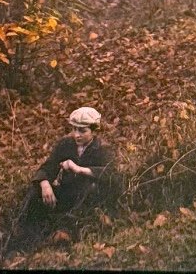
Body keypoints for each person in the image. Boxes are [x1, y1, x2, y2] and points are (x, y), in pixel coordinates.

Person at [8, 106, 116, 250]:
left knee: (88, 188)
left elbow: (112, 173)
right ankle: (27, 235)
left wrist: (79, 169)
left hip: (88, 197)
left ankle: (66, 232)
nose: (77, 135)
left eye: (82, 130)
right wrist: (45, 183)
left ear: (94, 131)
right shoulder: (66, 144)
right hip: (66, 191)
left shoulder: (102, 148)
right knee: (36, 191)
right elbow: (48, 166)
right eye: (74, 129)